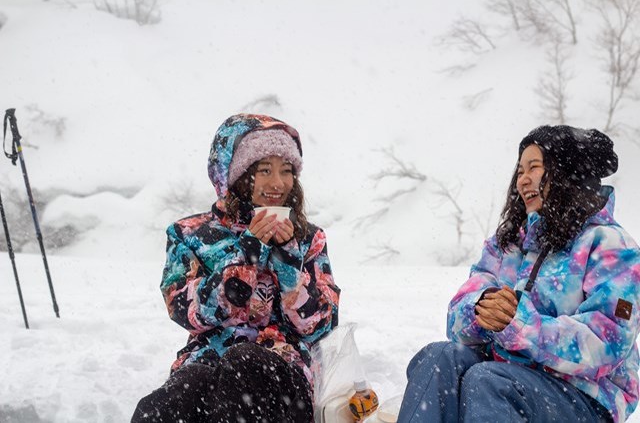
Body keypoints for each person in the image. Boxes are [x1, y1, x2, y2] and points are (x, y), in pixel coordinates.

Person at [397, 125, 640, 423]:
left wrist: (521, 325)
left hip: (586, 397)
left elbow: (607, 341)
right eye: (520, 170)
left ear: (566, 175)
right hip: (509, 373)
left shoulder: (610, 245)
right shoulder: (508, 243)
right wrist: (481, 308)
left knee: (489, 382)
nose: (522, 180)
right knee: (438, 358)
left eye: (534, 168)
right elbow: (458, 316)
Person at [132, 113, 340, 422]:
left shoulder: (309, 238)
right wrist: (247, 253)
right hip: (207, 362)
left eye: (286, 171)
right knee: (169, 402)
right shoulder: (189, 234)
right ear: (233, 174)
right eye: (264, 170)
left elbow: (322, 324)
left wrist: (286, 263)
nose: (278, 183)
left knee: (246, 364)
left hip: (283, 373)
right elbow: (184, 310)